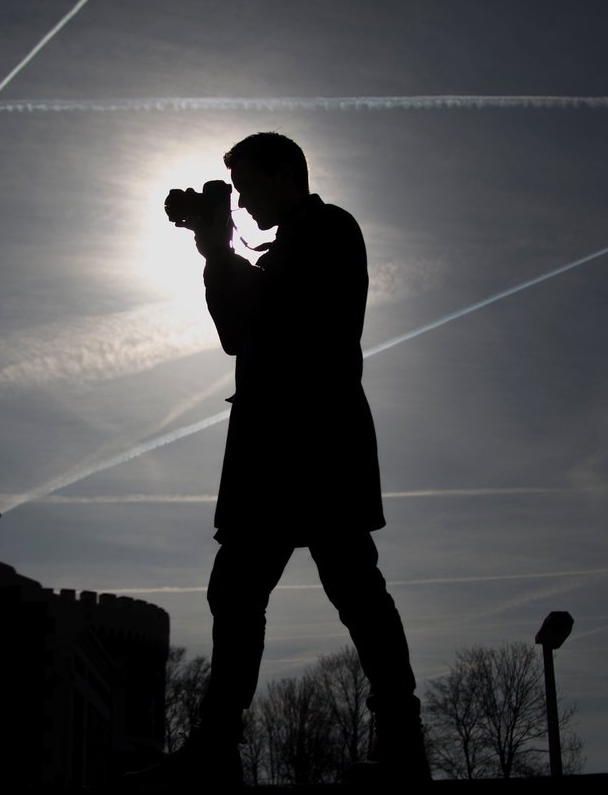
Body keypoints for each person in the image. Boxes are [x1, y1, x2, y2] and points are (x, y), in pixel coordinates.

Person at [144, 132, 427, 785]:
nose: (242, 202)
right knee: (242, 588)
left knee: (352, 586)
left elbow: (282, 311)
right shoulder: (281, 249)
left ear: (281, 175)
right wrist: (214, 253)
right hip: (273, 447)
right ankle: (218, 747)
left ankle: (400, 740)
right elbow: (235, 334)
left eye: (247, 187)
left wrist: (223, 250)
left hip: (316, 439)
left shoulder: (329, 230)